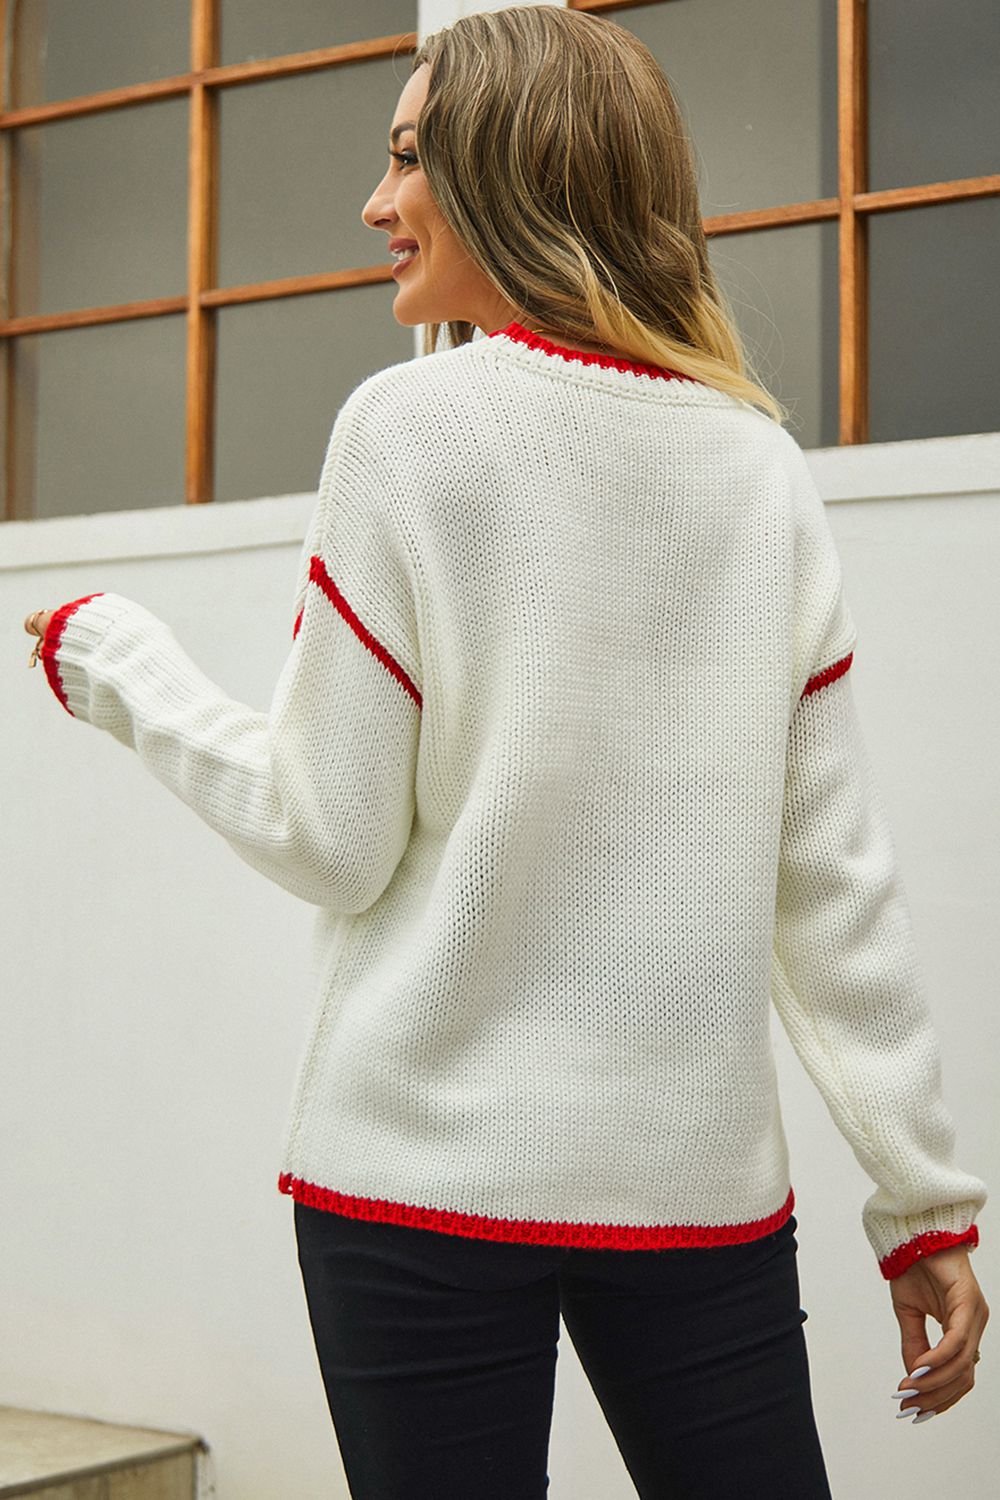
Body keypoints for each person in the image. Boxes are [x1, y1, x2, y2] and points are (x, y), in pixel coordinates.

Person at [23, 7, 988, 1497]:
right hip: (693, 1189)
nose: (376, 202)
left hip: (413, 1183)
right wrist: (919, 1200)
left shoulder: (408, 432)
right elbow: (831, 885)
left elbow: (328, 834)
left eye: (411, 157)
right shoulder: (759, 469)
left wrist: (120, 664)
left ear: (516, 169)